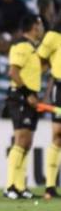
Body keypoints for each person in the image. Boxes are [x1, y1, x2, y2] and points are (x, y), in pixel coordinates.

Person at [4, 16, 44, 200]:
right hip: (21, 97)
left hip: (30, 98)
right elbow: (13, 72)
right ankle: (10, 185)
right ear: (32, 28)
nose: (42, 28)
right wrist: (28, 93)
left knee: (27, 142)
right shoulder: (20, 45)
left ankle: (20, 186)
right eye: (39, 25)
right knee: (21, 139)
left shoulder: (34, 49)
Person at [37, 23, 61, 199]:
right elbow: (39, 60)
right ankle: (50, 186)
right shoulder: (54, 34)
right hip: (60, 87)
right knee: (58, 135)